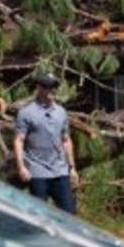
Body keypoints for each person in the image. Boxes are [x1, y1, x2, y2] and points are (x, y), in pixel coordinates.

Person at [14, 71, 79, 213]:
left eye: (53, 87)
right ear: (38, 87)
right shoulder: (26, 112)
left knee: (69, 211)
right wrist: (21, 167)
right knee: (39, 214)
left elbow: (66, 140)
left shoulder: (61, 112)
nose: (50, 90)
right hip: (37, 171)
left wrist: (72, 168)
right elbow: (19, 141)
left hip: (60, 170)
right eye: (47, 86)